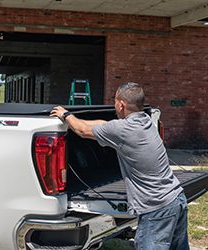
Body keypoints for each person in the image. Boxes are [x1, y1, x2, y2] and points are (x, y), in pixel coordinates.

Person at [50, 82, 189, 250]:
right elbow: (103, 123)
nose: (114, 104)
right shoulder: (145, 121)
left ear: (121, 104)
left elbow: (82, 130)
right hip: (176, 199)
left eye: (114, 100)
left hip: (156, 209)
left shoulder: (123, 130)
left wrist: (66, 115)